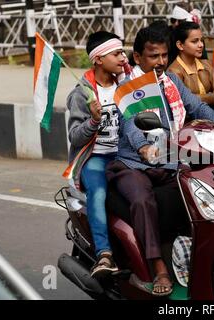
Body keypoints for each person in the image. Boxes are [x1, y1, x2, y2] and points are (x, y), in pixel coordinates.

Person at [105, 26, 214, 296]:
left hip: (173, 160)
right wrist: (144, 149)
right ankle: (158, 265)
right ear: (137, 57)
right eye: (153, 56)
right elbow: (131, 122)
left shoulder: (171, 80)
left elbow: (198, 107)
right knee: (141, 199)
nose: (160, 62)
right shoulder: (127, 88)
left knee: (204, 189)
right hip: (133, 164)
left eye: (164, 55)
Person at [66, 31, 128, 278]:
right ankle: (104, 254)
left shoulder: (126, 85)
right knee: (98, 192)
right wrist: (93, 120)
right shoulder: (82, 93)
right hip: (96, 157)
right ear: (98, 59)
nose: (123, 57)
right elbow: (75, 136)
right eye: (117, 53)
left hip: (125, 155)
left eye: (123, 52)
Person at [168, 22, 214, 109]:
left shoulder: (206, 64)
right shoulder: (173, 72)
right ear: (180, 45)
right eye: (195, 41)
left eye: (201, 40)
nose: (201, 45)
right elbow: (185, 100)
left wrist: (200, 97)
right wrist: (211, 97)